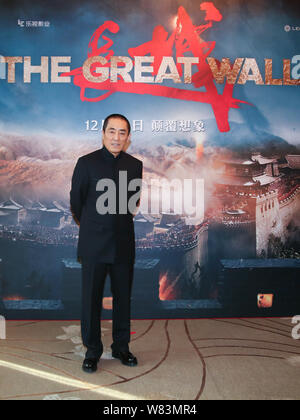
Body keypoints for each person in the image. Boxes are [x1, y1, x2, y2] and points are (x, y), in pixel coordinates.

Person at [70, 114, 143, 373]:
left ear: (127, 137)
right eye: (112, 131)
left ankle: (121, 347)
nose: (116, 137)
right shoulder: (86, 163)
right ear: (103, 133)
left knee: (123, 299)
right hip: (94, 244)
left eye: (122, 132)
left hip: (123, 243)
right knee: (91, 300)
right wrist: (92, 224)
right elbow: (76, 203)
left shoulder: (135, 165)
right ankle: (92, 350)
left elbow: (132, 204)